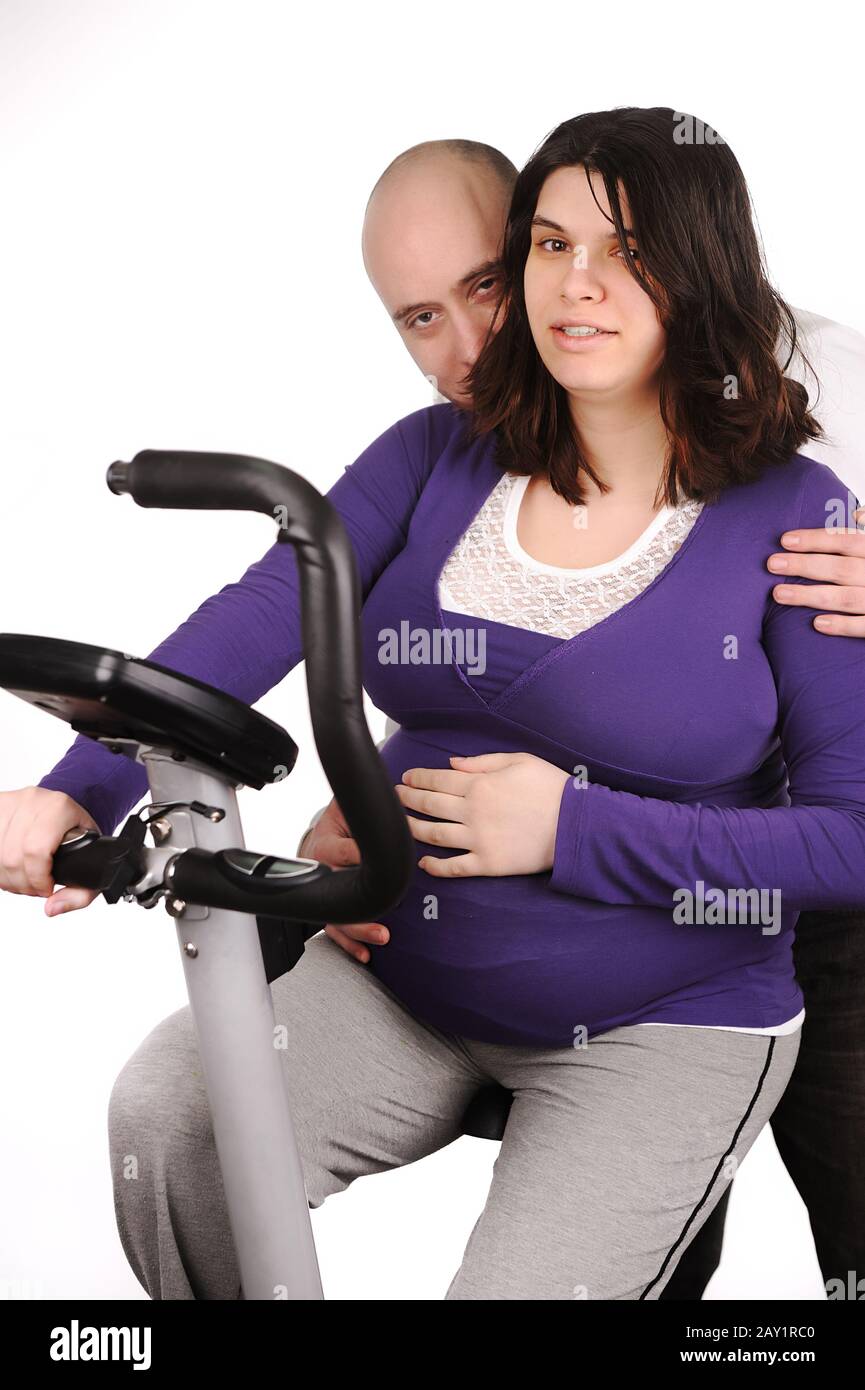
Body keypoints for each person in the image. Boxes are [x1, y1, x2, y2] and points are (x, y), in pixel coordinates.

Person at [2, 107, 864, 1300]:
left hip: (668, 1009)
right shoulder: (429, 453)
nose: (574, 283)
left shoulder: (804, 503)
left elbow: (848, 838)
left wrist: (571, 827)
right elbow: (258, 615)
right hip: (407, 980)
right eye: (550, 247)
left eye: (624, 252)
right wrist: (75, 786)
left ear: (698, 267)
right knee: (174, 1119)